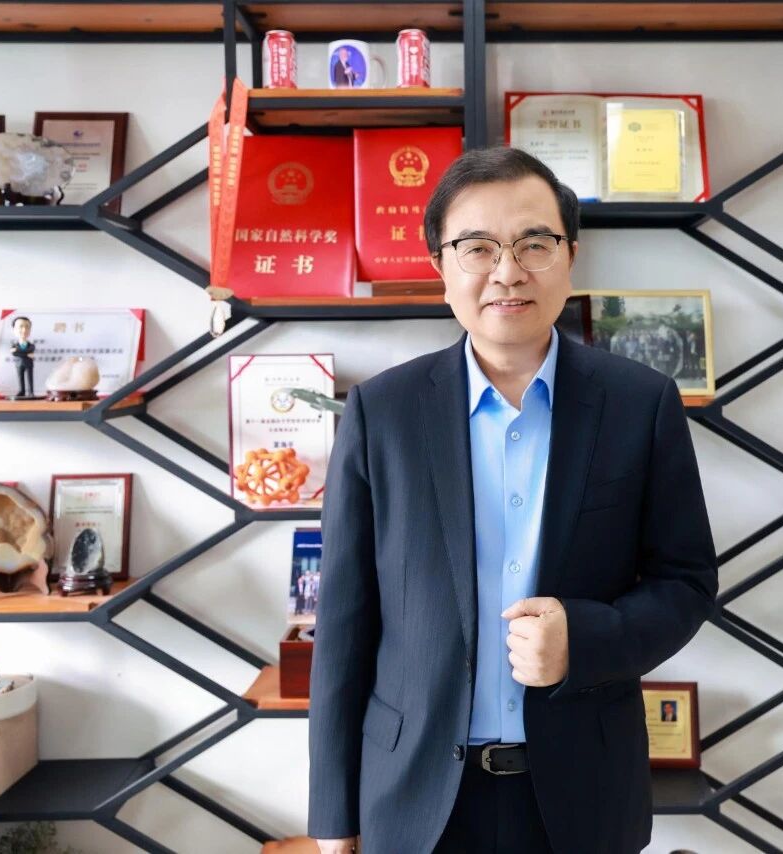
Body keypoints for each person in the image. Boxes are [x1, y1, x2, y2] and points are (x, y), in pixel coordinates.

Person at [307, 146, 718, 854]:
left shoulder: (639, 404)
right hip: (414, 798)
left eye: (534, 243)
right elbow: (344, 620)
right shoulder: (382, 412)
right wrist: (332, 817)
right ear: (440, 266)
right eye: (477, 248)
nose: (507, 271)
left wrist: (583, 639)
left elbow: (685, 582)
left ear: (570, 257)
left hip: (582, 795)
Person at [9, 315, 36, 399]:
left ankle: (31, 391)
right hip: (19, 364)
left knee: (30, 378)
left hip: (29, 364)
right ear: (14, 329)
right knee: (20, 378)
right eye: (21, 326)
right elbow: (14, 353)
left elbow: (28, 350)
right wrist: (26, 354)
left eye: (27, 327)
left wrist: (18, 352)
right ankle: (22, 391)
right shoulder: (14, 345)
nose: (24, 330)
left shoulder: (31, 345)